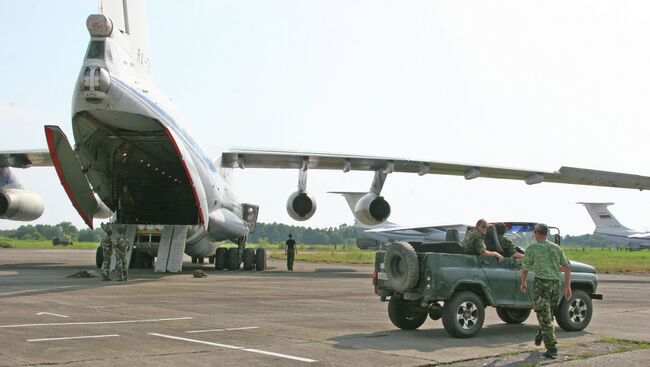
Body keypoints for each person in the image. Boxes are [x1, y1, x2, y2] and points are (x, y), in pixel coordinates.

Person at [520, 223, 572, 359]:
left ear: (537, 233)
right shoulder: (556, 248)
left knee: (545, 317)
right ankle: (541, 334)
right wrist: (567, 287)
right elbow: (567, 267)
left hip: (542, 284)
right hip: (556, 285)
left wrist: (523, 282)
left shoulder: (532, 249)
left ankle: (552, 348)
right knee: (548, 315)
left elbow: (525, 268)